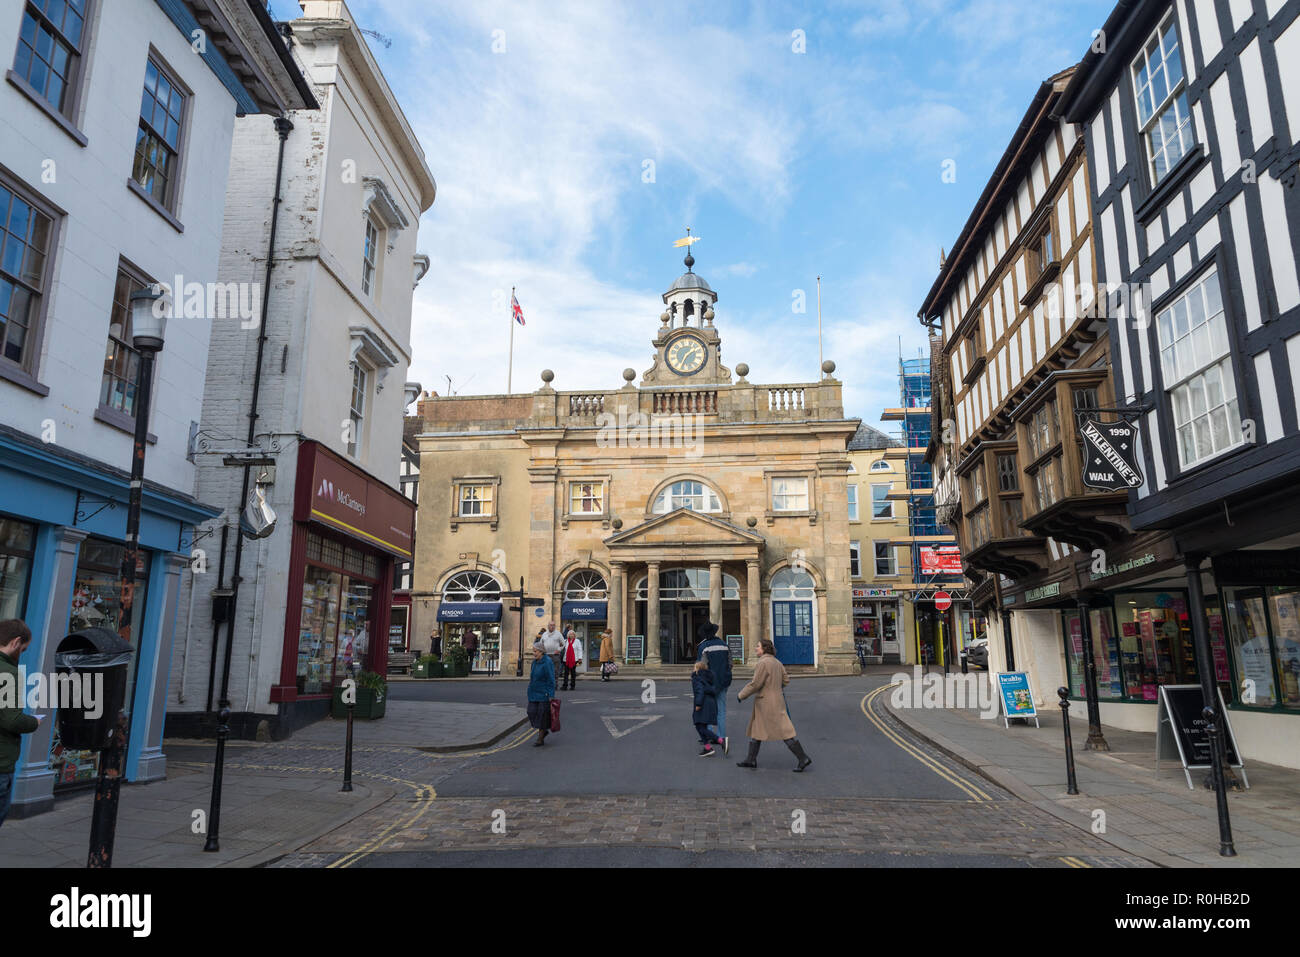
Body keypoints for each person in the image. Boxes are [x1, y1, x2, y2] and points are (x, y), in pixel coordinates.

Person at [735, 638, 811, 772]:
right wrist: (775, 686)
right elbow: (786, 680)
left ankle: (803, 758)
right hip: (777, 700)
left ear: (764, 648)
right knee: (757, 729)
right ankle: (751, 759)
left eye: (758, 646)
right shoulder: (777, 662)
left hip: (766, 702)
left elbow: (756, 684)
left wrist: (741, 695)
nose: (755, 649)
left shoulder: (762, 663)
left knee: (784, 731)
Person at [1, 620, 44, 828]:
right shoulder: (8, 673)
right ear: (16, 642)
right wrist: (34, 722)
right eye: (24, 649)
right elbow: (12, 720)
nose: (22, 653)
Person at [695, 622, 732, 740]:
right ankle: (721, 735)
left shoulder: (704, 646)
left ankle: (709, 734)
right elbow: (730, 664)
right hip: (723, 680)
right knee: (721, 710)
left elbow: (702, 666)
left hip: (709, 683)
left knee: (708, 710)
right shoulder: (724, 645)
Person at [691, 661, 728, 756]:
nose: (693, 669)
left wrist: (698, 704)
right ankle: (708, 748)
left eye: (694, 667)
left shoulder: (697, 678)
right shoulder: (708, 677)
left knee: (700, 726)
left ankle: (720, 741)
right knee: (701, 726)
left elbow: (700, 691)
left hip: (703, 704)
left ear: (698, 669)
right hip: (710, 703)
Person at [526, 641, 556, 747]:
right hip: (533, 692)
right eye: (533, 651)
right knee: (531, 712)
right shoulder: (534, 662)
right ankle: (543, 732)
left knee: (542, 716)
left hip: (544, 693)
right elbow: (532, 677)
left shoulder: (547, 662)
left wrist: (551, 694)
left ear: (541, 651)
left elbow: (551, 678)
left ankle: (540, 737)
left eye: (535, 651)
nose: (534, 653)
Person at [541, 620, 566, 686]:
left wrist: (559, 650)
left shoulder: (558, 634)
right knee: (546, 671)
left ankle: (555, 685)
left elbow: (563, 643)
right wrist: (542, 651)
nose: (552, 626)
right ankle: (547, 684)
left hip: (555, 655)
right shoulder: (544, 634)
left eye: (553, 625)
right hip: (546, 655)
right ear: (548, 626)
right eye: (551, 625)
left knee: (555, 671)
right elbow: (541, 644)